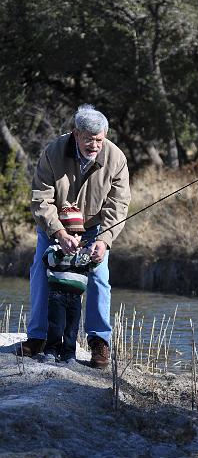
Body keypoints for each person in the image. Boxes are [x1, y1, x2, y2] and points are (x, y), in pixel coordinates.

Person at [18, 104, 131, 368]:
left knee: (99, 276)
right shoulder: (52, 153)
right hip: (56, 224)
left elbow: (119, 205)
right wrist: (58, 231)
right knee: (40, 270)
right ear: (75, 134)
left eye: (100, 140)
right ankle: (38, 337)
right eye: (89, 139)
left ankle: (99, 341)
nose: (95, 145)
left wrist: (104, 240)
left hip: (95, 229)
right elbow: (41, 200)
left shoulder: (116, 158)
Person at [42, 204, 98, 365]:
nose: (75, 236)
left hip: (75, 298)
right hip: (57, 296)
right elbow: (48, 261)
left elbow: (90, 267)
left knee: (72, 329)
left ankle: (69, 354)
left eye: (79, 233)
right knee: (56, 326)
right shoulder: (53, 249)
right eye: (71, 233)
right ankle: (51, 351)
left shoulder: (83, 253)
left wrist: (92, 258)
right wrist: (62, 251)